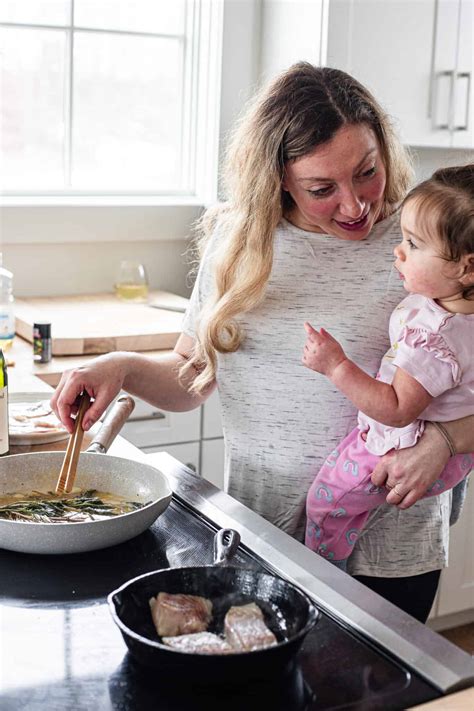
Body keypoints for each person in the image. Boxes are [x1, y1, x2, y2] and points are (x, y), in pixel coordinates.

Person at [51, 63, 474, 623]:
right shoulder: (238, 243)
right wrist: (122, 367)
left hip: (391, 548)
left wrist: (444, 440)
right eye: (322, 189)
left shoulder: (426, 242)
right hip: (258, 533)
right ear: (278, 177)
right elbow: (191, 379)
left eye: (367, 171)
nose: (355, 206)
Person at [303, 165, 474, 570]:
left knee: (326, 506)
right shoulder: (451, 306)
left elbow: (397, 408)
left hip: (400, 451)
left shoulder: (434, 338)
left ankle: (323, 577)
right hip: (457, 454)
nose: (398, 251)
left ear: (467, 268)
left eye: (413, 244)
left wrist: (336, 365)